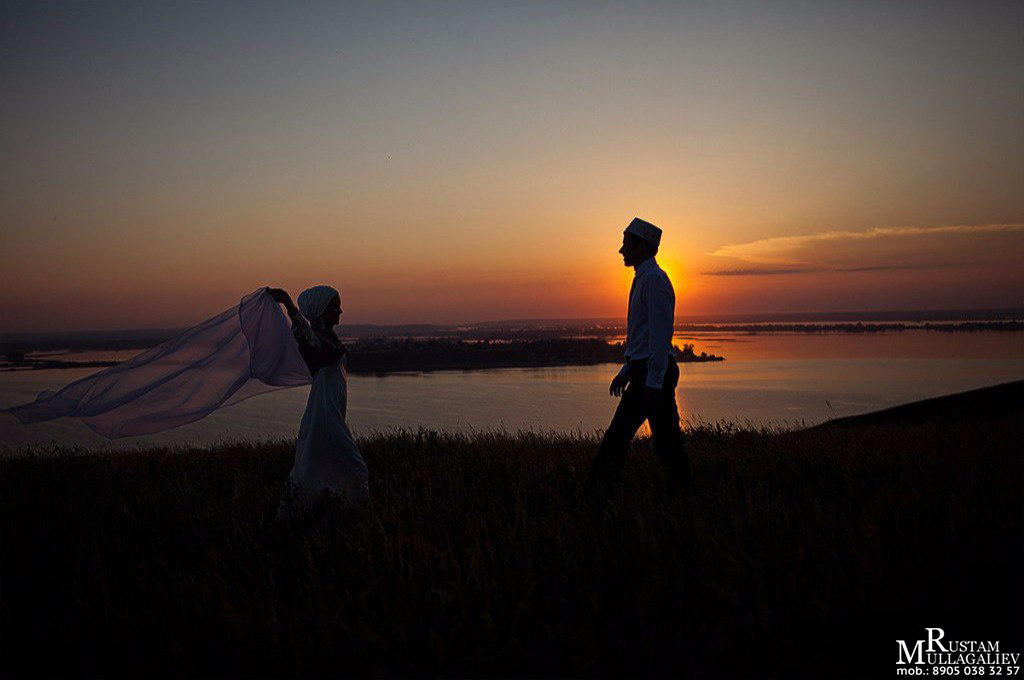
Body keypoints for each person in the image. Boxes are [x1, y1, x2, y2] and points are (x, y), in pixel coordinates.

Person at [586, 218, 691, 490]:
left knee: (618, 437)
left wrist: (653, 383)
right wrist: (626, 371)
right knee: (666, 441)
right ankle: (683, 489)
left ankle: (596, 491)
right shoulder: (644, 280)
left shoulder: (654, 281)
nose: (621, 250)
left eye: (626, 243)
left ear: (641, 246)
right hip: (647, 372)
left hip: (652, 374)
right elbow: (641, 340)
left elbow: (658, 338)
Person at [268, 285, 369, 510]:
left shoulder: (328, 338)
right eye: (335, 306)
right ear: (321, 310)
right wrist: (290, 307)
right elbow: (304, 334)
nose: (340, 311)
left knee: (311, 468)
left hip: (331, 412)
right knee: (356, 469)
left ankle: (316, 512)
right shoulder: (316, 340)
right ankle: (357, 513)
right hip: (325, 415)